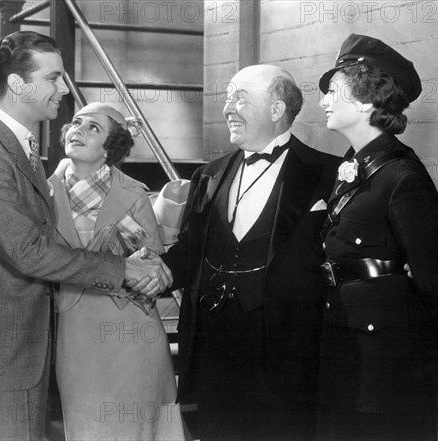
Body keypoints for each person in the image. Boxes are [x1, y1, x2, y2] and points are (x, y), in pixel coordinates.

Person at [0, 31, 171, 441]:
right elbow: (27, 250)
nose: (65, 88)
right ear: (17, 85)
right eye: (54, 78)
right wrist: (124, 269)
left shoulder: (19, 149)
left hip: (27, 346)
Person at [156, 64, 341, 441]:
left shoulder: (328, 173)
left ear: (276, 110)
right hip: (213, 347)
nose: (227, 108)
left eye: (240, 97)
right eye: (227, 97)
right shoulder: (208, 174)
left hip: (288, 353)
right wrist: (151, 271)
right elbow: (190, 250)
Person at [316, 34, 438, 441]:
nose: (324, 101)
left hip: (392, 377)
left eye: (334, 91)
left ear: (365, 102)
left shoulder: (402, 177)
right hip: (347, 360)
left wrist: (409, 349)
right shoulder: (356, 169)